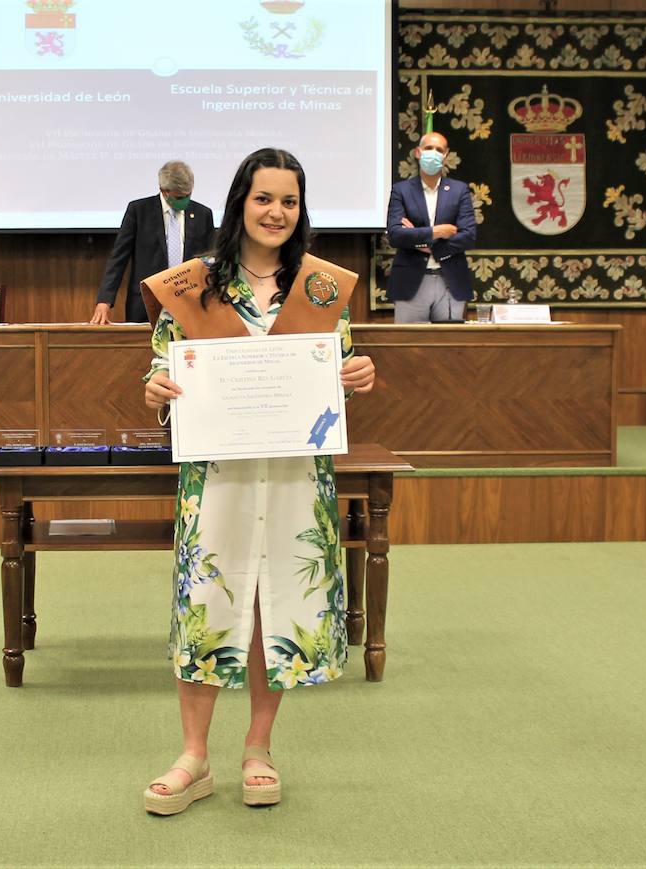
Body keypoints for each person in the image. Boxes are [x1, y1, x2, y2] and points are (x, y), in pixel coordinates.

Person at [140, 148, 375, 814]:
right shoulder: (196, 286)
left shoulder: (319, 287)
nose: (276, 212)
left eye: (289, 201)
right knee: (208, 603)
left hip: (297, 478)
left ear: (301, 211)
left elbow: (338, 373)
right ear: (241, 201)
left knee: (277, 603)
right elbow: (160, 366)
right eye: (264, 197)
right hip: (218, 479)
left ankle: (258, 748)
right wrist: (155, 386)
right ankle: (193, 755)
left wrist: (356, 376)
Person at [90, 160, 216, 325]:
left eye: (188, 195)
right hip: (146, 305)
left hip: (190, 304)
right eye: (179, 197)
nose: (185, 200)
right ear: (164, 191)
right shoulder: (139, 211)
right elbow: (118, 258)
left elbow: (210, 262)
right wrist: (104, 301)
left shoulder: (202, 214)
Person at [385, 131, 477, 323]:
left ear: (446, 155)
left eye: (439, 150)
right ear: (418, 152)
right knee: (409, 347)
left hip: (450, 281)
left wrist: (422, 242)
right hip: (410, 281)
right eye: (428, 148)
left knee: (449, 348)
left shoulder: (459, 190)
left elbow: (468, 236)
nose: (433, 153)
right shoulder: (401, 190)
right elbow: (395, 235)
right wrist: (437, 232)